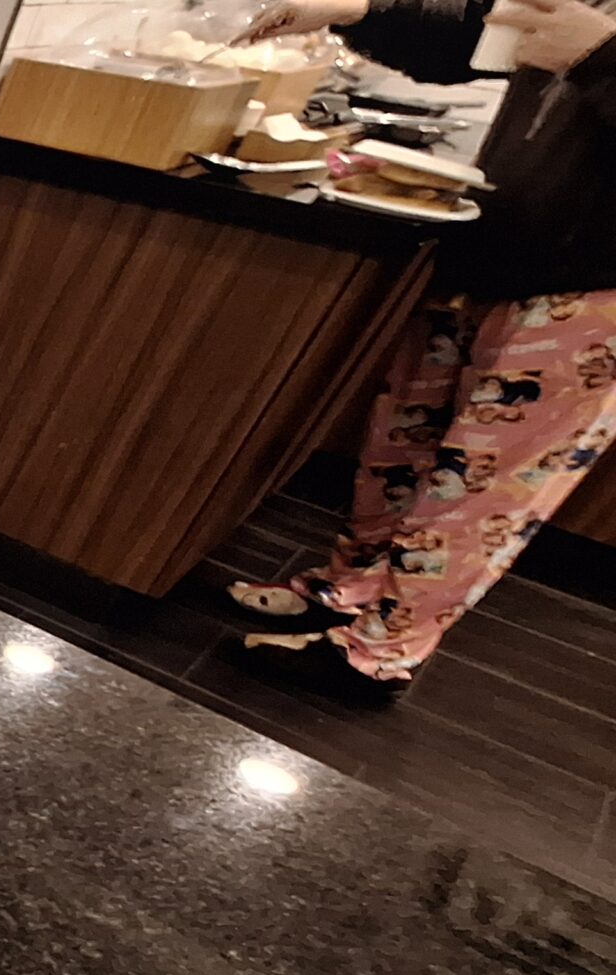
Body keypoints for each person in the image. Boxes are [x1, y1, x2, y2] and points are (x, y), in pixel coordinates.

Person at [226, 0, 616, 689]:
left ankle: (378, 655)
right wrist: (350, 10)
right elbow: (477, 31)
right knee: (397, 449)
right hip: (489, 246)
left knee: (480, 496)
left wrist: (601, 60)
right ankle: (344, 596)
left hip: (592, 291)